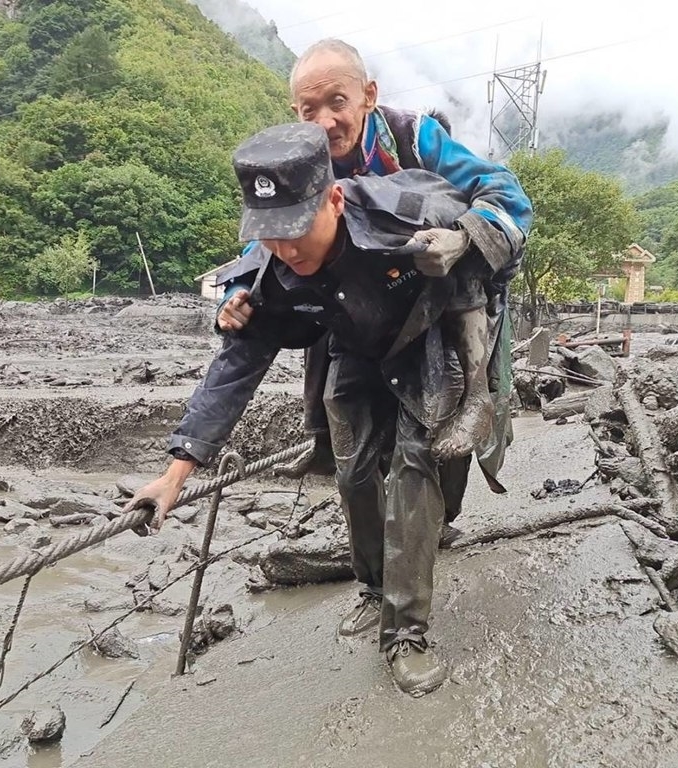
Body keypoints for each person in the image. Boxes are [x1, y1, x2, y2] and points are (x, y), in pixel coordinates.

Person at [125, 122, 523, 696]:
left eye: (294, 230)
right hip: (356, 347)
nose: (285, 249)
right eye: (269, 235)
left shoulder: (410, 210)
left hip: (429, 336)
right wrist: (173, 475)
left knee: (416, 466)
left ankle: (404, 634)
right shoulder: (275, 270)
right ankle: (372, 587)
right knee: (354, 467)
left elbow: (499, 258)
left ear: (334, 198)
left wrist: (462, 243)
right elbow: (235, 369)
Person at [216, 39, 532, 542]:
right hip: (360, 308)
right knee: (347, 419)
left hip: (441, 296)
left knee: (439, 423)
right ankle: (331, 457)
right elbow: (276, 233)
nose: (324, 122)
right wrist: (237, 289)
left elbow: (508, 196)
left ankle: (441, 516)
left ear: (368, 95)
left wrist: (464, 238)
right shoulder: (302, 163)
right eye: (308, 110)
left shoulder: (415, 139)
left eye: (337, 103)